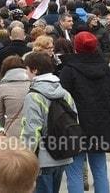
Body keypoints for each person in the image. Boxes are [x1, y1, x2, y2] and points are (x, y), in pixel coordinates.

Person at [59, 31, 110, 193]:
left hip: (75, 126)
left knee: (75, 171)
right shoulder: (106, 70)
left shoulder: (69, 70)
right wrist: (107, 118)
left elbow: (62, 101)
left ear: (75, 47)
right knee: (100, 170)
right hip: (100, 125)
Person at [20, 52, 76, 193]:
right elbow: (74, 119)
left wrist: (26, 158)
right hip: (63, 155)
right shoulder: (65, 93)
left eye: (26, 69)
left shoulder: (33, 96)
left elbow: (31, 131)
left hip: (42, 158)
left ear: (34, 70)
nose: (26, 73)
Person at [0, 55, 30, 134]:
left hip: (12, 132)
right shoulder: (33, 84)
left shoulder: (2, 87)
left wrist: (7, 125)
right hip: (32, 130)